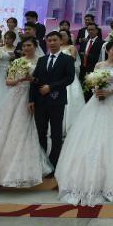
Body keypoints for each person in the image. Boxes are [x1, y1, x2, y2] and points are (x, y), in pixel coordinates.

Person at [0, 37, 52, 187]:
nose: (26, 48)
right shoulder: (17, 61)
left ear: (35, 46)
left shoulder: (42, 61)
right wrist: (20, 80)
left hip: (32, 95)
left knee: (28, 127)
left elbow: (42, 80)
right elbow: (8, 81)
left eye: (29, 45)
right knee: (6, 127)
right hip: (15, 95)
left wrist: (31, 79)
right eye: (24, 46)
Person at [57, 41, 113, 205]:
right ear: (107, 50)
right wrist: (96, 91)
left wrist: (109, 92)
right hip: (97, 101)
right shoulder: (99, 65)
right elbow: (92, 82)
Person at [30, 32, 75, 169]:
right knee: (40, 132)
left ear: (60, 41)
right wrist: (31, 99)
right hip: (40, 101)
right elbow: (35, 80)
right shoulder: (42, 59)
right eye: (49, 40)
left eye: (55, 40)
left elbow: (69, 78)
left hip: (57, 100)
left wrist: (51, 87)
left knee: (56, 133)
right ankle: (42, 161)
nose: (52, 43)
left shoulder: (67, 59)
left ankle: (54, 162)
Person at [60, 29, 86, 132]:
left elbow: (72, 59)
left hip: (69, 75)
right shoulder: (56, 47)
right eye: (60, 35)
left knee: (71, 97)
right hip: (58, 76)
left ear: (68, 37)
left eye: (64, 35)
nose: (62, 37)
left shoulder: (71, 47)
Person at [78, 24, 103, 101]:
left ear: (97, 31)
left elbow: (100, 57)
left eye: (92, 29)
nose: (90, 31)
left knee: (91, 93)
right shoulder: (85, 42)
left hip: (94, 70)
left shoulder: (101, 42)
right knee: (83, 92)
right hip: (83, 69)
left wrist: (87, 55)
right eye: (89, 30)